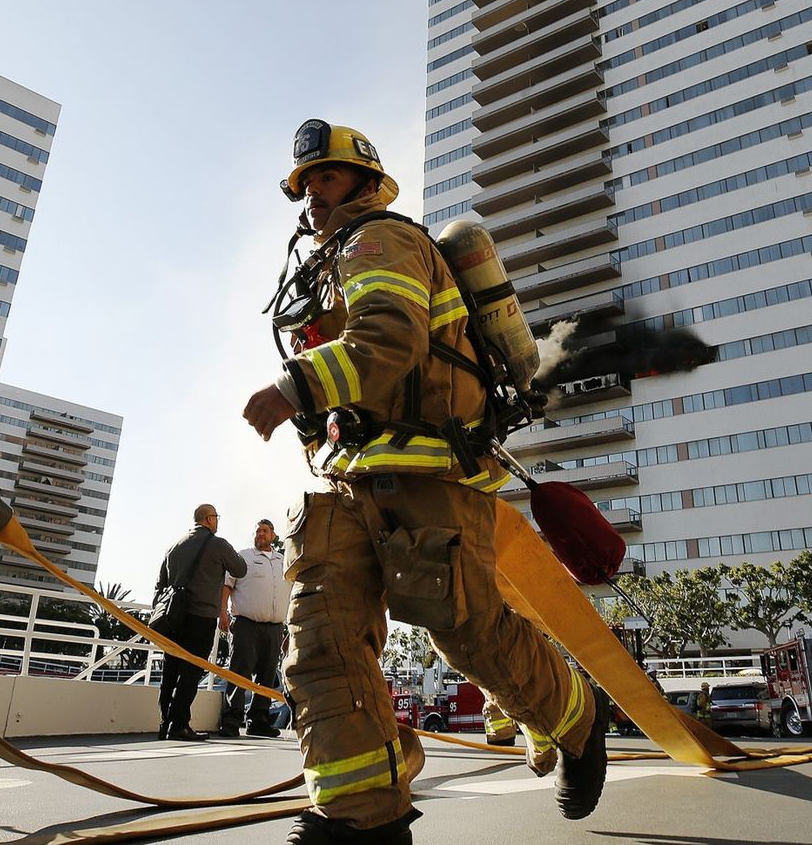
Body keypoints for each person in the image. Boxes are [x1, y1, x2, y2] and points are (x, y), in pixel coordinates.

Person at [243, 120, 607, 843]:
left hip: (427, 474)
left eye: (328, 178)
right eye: (306, 184)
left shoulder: (384, 240)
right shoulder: (323, 269)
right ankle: (361, 820)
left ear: (369, 184)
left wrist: (292, 388)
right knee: (322, 644)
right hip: (347, 483)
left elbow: (390, 339)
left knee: (468, 635)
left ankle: (579, 719)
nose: (314, 195)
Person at [155, 504, 247, 741]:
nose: (217, 521)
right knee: (191, 672)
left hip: (173, 618)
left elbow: (160, 585)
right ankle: (179, 725)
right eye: (216, 517)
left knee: (170, 670)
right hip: (201, 618)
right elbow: (240, 568)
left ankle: (165, 723)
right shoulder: (217, 544)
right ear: (208, 519)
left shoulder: (174, 546)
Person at [218, 518, 293, 738]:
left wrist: (289, 629)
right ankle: (232, 720)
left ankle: (259, 720)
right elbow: (227, 584)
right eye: (258, 530)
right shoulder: (243, 557)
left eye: (265, 531)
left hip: (275, 627)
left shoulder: (283, 560)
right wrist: (222, 611)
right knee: (240, 671)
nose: (261, 534)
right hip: (246, 624)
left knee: (267, 674)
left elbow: (291, 593)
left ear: (273, 536)